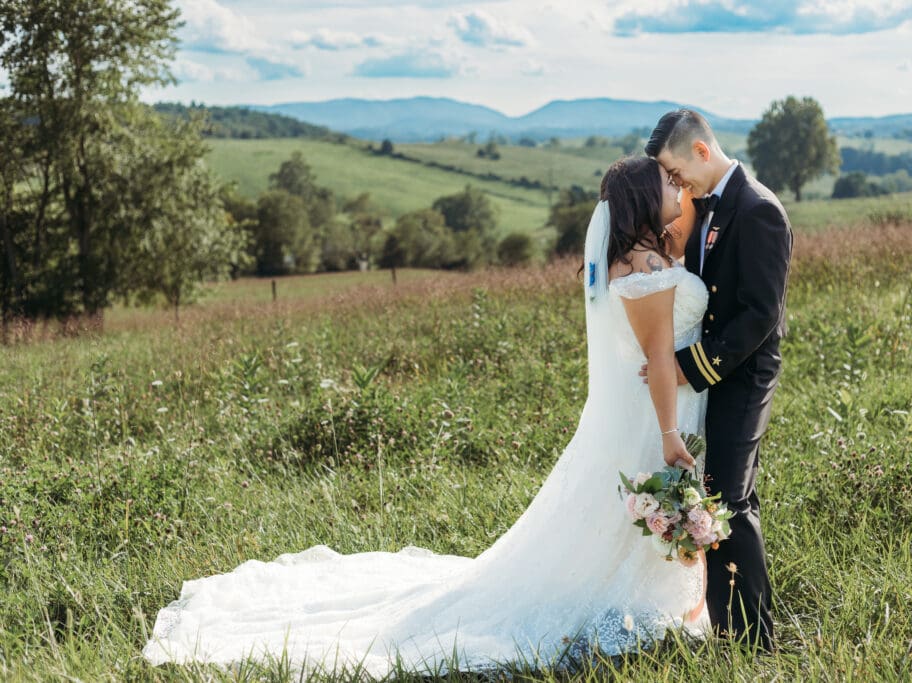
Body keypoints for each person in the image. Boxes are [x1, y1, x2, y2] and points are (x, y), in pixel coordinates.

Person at [142, 156, 714, 678]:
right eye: (667, 180)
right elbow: (658, 361)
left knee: (626, 519)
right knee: (640, 509)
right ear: (642, 196)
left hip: (651, 409)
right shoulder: (642, 265)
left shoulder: (645, 256)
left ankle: (650, 601)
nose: (678, 184)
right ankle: (640, 607)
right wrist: (668, 435)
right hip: (655, 414)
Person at [643, 109, 793, 652]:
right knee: (716, 493)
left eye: (676, 171)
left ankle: (754, 641)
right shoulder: (704, 207)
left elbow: (759, 315)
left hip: (744, 374)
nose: (675, 184)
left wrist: (690, 367)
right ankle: (727, 624)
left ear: (701, 151)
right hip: (714, 371)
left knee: (730, 497)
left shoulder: (758, 211)